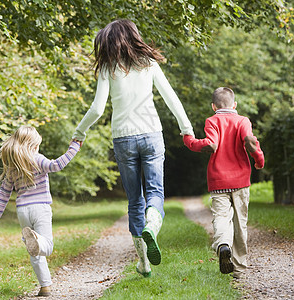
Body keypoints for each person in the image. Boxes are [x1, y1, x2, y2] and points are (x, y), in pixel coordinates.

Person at [72, 19, 194, 277]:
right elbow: (172, 98)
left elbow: (97, 109)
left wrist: (79, 132)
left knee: (134, 199)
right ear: (133, 35)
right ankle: (152, 224)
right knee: (155, 192)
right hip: (151, 134)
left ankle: (143, 262)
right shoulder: (148, 63)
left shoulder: (108, 67)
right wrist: (186, 129)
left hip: (123, 139)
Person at [0, 125, 80, 297]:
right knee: (46, 247)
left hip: (22, 211)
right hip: (40, 208)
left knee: (34, 251)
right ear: (33, 145)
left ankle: (45, 287)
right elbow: (57, 165)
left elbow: (4, 193)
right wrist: (74, 147)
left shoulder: (12, 167)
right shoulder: (38, 159)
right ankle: (36, 239)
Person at [183, 87, 264, 279]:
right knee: (240, 222)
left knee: (221, 217)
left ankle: (223, 245)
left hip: (218, 180)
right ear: (234, 104)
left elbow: (211, 144)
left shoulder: (212, 121)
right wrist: (259, 159)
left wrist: (189, 141)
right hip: (241, 180)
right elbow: (249, 140)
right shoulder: (243, 120)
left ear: (213, 106)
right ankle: (239, 268)